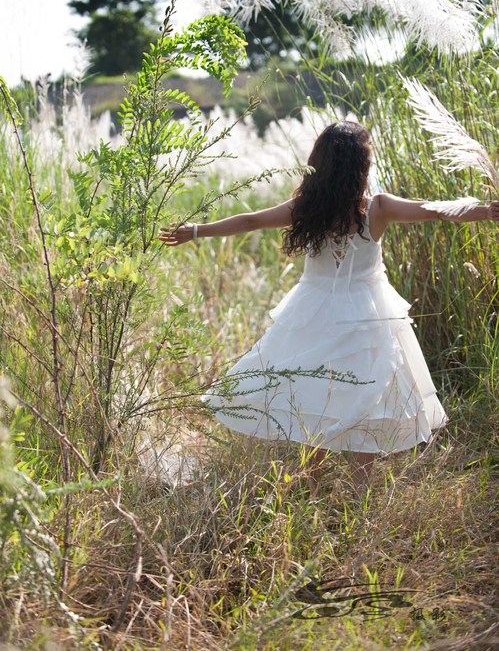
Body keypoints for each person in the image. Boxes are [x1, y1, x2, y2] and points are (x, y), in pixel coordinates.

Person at [159, 121, 499, 492]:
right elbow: (434, 211)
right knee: (364, 396)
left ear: (319, 164)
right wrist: (485, 211)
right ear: (361, 166)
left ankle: (311, 482)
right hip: (368, 312)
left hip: (313, 308)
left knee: (312, 389)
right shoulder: (377, 209)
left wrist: (195, 231)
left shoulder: (306, 208)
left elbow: (251, 221)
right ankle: (357, 493)